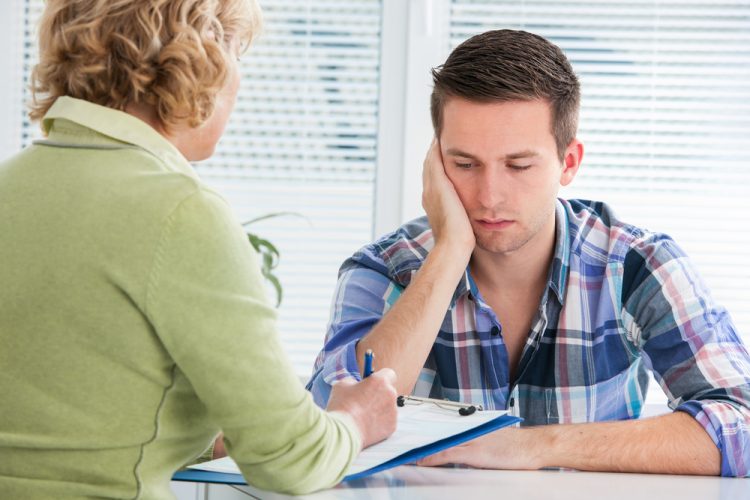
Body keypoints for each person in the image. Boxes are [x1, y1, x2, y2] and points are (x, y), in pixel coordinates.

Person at [0, 1, 399, 498]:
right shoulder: (179, 210)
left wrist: (206, 436)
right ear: (201, 62)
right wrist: (357, 417)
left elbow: (67, 422)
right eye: (236, 55)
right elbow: (293, 461)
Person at [307, 29, 750, 477]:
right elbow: (326, 430)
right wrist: (450, 250)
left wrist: (531, 446)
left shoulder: (636, 265)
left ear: (569, 163)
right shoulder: (383, 269)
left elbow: (742, 425)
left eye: (518, 166)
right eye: (464, 164)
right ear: (435, 163)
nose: (489, 196)